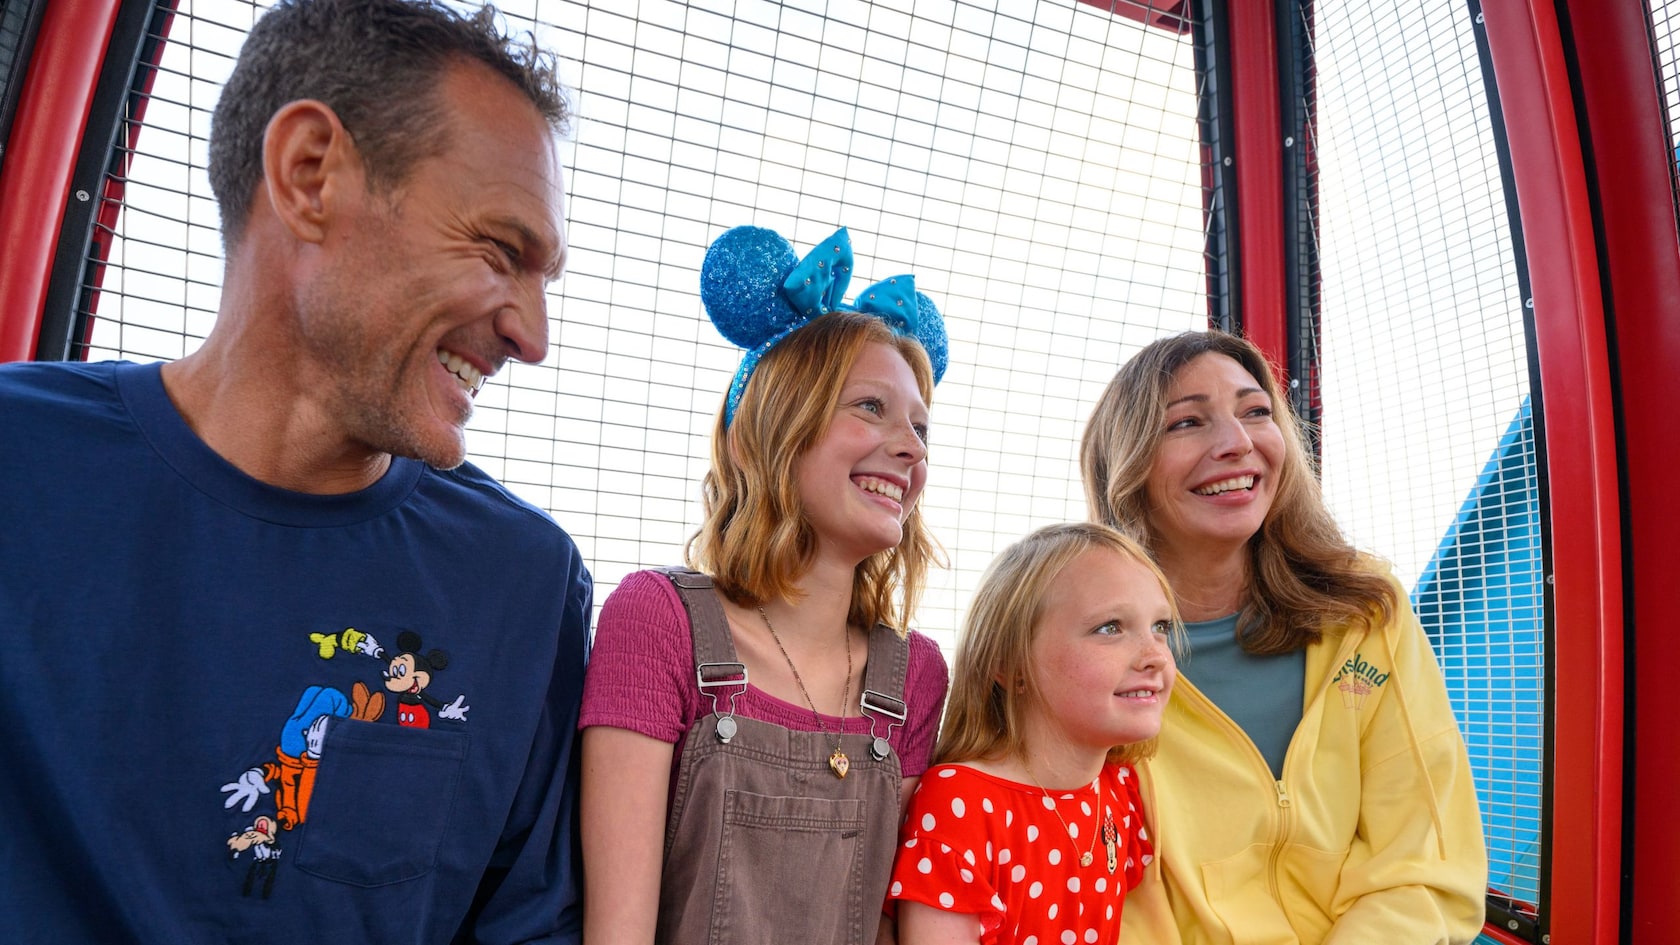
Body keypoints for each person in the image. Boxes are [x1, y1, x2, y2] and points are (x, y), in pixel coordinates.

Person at [0, 2, 590, 942]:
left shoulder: (525, 583)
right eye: (498, 250)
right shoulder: (17, 462)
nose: (532, 335)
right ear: (310, 174)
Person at [578, 224, 952, 945]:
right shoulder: (659, 620)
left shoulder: (917, 676)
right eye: (870, 407)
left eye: (921, 427)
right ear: (772, 428)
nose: (910, 448)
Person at [1079, 330, 1488, 943]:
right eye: (1187, 423)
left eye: (1256, 412)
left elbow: (1424, 865)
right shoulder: (1075, 647)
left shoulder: (1364, 610)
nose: (1237, 443)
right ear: (1127, 466)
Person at [888, 522, 1178, 945]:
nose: (1155, 655)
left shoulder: (1118, 789)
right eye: (1110, 627)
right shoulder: (959, 803)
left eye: (1161, 627)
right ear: (1011, 666)